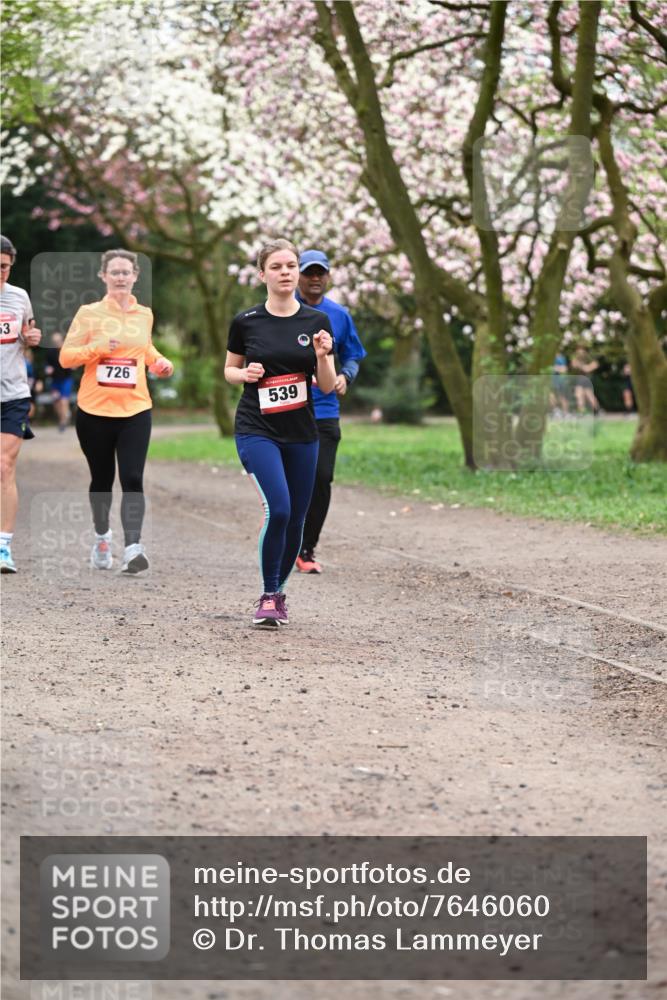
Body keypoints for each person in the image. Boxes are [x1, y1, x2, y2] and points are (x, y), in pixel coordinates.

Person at [224, 238, 335, 628]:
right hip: (257, 428)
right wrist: (244, 374)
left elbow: (326, 384)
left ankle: (280, 592)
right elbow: (229, 370)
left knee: (297, 519)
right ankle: (269, 594)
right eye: (277, 266)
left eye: (291, 265)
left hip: (302, 432)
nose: (286, 272)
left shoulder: (316, 322)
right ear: (262, 275)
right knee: (280, 509)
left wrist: (322, 357)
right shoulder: (246, 321)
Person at [59, 249, 173, 573]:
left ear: (136, 275)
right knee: (102, 479)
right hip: (94, 410)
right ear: (104, 277)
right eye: (115, 272)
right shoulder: (89, 313)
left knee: (133, 477)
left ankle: (133, 547)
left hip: (136, 408)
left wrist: (159, 362)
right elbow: (67, 357)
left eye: (126, 272)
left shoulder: (145, 314)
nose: (121, 277)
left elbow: (145, 348)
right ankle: (102, 537)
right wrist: (97, 347)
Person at [294, 249, 366, 574]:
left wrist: (344, 375)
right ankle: (286, 538)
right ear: (297, 274)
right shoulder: (282, 311)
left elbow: (353, 355)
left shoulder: (339, 315)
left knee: (321, 478)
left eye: (319, 272)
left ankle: (306, 549)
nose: (314, 278)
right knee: (291, 481)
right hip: (287, 410)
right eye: (308, 272)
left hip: (324, 412)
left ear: (327, 276)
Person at [0, 234, 42, 573]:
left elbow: (27, 337)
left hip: (12, 394)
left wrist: (31, 338)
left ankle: (3, 547)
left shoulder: (19, 297)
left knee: (4, 466)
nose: (0, 273)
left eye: (4, 267)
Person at [45, 332, 74, 431]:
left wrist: (73, 365)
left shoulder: (66, 351)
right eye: (54, 341)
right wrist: (48, 369)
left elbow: (74, 363)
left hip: (66, 379)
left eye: (58, 341)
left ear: (62, 341)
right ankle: (63, 417)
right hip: (55, 381)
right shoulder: (50, 352)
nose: (56, 343)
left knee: (63, 401)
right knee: (56, 403)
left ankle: (63, 422)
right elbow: (47, 365)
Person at [571, 344, 600, 415]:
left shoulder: (589, 358)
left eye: (581, 351)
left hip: (586, 378)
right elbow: (573, 365)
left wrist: (583, 366)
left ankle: (585, 411)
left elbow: (591, 367)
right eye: (578, 351)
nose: (579, 353)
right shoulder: (576, 359)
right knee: (586, 395)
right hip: (580, 378)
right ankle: (595, 410)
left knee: (580, 394)